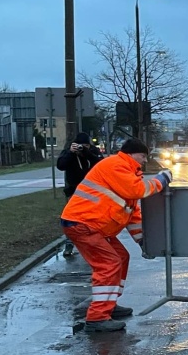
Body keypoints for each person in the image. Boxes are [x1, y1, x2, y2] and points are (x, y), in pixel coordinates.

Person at [60, 138, 172, 333]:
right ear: (130, 154)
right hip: (84, 224)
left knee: (121, 257)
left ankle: (108, 304)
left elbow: (131, 213)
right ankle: (97, 317)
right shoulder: (117, 165)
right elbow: (140, 190)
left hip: (92, 225)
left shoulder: (127, 171)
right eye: (142, 156)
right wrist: (162, 180)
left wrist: (142, 242)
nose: (144, 161)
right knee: (109, 263)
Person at [57, 132, 104, 257]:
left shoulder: (93, 152)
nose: (82, 148)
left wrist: (86, 153)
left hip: (92, 192)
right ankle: (69, 244)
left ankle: (92, 245)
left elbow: (101, 163)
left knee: (92, 220)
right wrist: (71, 153)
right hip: (74, 192)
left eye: (85, 146)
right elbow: (60, 165)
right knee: (71, 219)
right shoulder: (69, 152)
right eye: (80, 146)